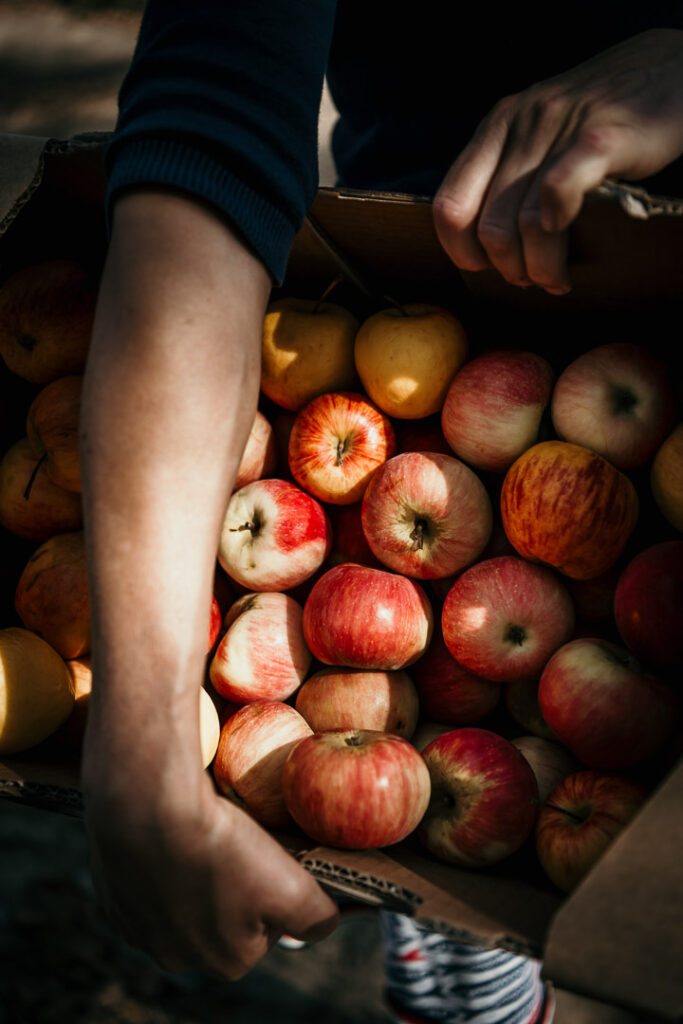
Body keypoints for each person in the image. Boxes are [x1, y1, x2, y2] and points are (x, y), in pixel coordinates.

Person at [78, 1, 683, 1018]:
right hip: (439, 266)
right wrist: (140, 740)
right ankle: (453, 927)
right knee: (455, 826)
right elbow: (211, 115)